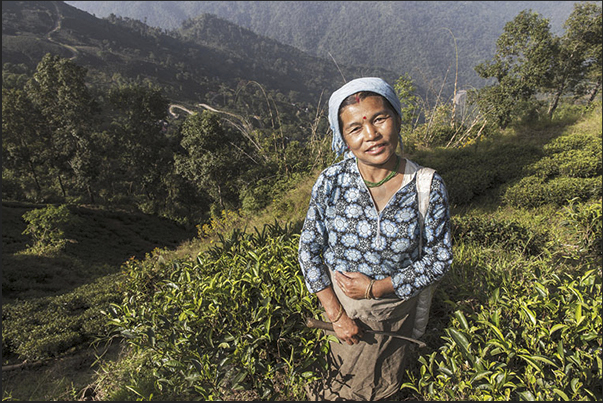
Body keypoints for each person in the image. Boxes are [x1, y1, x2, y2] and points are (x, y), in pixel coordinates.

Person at [298, 77, 453, 401]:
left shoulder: (426, 186)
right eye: (355, 128)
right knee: (341, 387)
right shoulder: (332, 182)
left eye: (380, 118)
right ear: (342, 138)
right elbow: (308, 249)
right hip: (344, 309)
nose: (371, 135)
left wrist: (377, 287)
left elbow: (439, 257)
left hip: (395, 309)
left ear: (396, 118)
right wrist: (337, 316)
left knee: (383, 385)